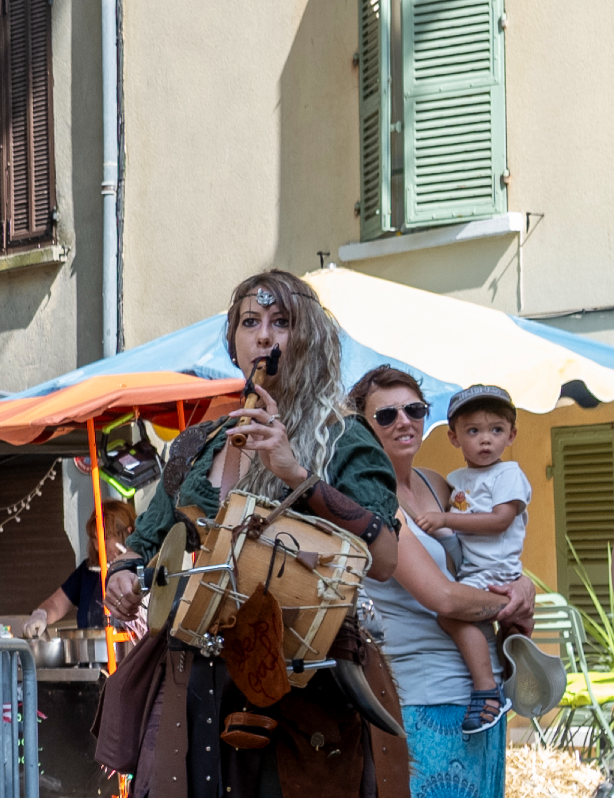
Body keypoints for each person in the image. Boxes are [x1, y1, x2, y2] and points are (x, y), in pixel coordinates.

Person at [101, 270, 408, 797]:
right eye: (250, 322)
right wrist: (125, 573)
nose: (264, 335)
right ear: (234, 342)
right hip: (198, 680)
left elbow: (383, 556)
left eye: (281, 322)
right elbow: (146, 542)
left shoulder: (343, 434)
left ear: (307, 336)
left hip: (309, 682)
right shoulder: (199, 443)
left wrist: (295, 472)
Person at [351, 366, 533, 796]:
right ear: (363, 426)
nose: (403, 421)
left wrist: (524, 585)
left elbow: (487, 548)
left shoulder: (438, 484)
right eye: (385, 415)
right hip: (421, 696)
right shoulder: (367, 496)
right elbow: (447, 599)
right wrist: (508, 603)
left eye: (413, 409)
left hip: (481, 694)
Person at [416, 385, 530, 734]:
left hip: (494, 570)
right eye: (473, 431)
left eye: (496, 430)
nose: (485, 440)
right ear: (453, 437)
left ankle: (486, 689)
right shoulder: (457, 480)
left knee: (449, 615)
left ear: (511, 435)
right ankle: (504, 669)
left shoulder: (508, 474)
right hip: (474, 569)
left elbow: (499, 521)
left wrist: (445, 521)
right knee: (469, 621)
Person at [21, 501, 145, 641]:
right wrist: (41, 615)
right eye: (94, 540)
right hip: (90, 658)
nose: (98, 547)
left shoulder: (142, 569)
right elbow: (56, 604)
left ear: (128, 532)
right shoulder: (88, 571)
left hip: (131, 655)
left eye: (105, 538)